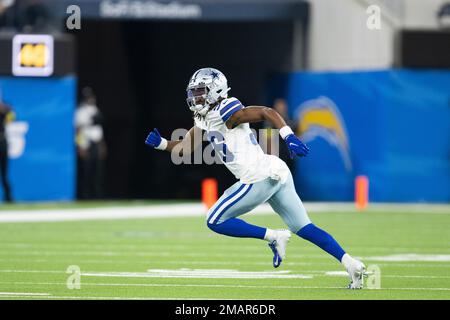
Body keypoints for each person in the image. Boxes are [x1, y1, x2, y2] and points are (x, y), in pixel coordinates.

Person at [145, 68, 366, 289]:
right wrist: (163, 143)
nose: (196, 98)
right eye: (193, 92)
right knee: (304, 227)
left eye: (201, 91)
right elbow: (186, 146)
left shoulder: (225, 109)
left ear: (216, 90)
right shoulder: (203, 116)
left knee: (214, 220)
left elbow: (266, 112)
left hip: (257, 176)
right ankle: (351, 264)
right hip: (271, 171)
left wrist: (288, 136)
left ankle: (273, 236)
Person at [75, 87, 107, 200]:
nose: (90, 99)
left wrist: (102, 145)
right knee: (86, 172)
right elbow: (78, 130)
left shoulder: (95, 109)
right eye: (87, 97)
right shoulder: (80, 111)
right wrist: (79, 146)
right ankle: (85, 196)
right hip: (86, 144)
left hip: (96, 142)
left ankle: (97, 195)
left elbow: (99, 129)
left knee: (97, 171)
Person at [0, 98, 14, 202]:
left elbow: (11, 118)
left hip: (2, 142)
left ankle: (8, 197)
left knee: (4, 173)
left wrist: (4, 108)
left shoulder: (5, 110)